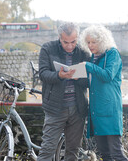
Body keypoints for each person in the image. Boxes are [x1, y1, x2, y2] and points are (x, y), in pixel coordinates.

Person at [37, 22, 90, 161]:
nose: (70, 46)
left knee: (73, 151)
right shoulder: (48, 48)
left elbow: (90, 82)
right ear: (59, 37)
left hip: (78, 108)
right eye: (65, 42)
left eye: (73, 42)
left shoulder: (84, 52)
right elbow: (42, 74)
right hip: (55, 108)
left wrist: (78, 78)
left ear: (78, 37)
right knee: (47, 149)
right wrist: (59, 76)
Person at [79, 25, 128, 161]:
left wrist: (87, 66)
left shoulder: (112, 54)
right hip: (96, 110)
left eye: (93, 42)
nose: (90, 45)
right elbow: (93, 82)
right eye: (88, 42)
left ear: (102, 41)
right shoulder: (94, 57)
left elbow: (108, 75)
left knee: (117, 153)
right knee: (105, 154)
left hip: (109, 110)